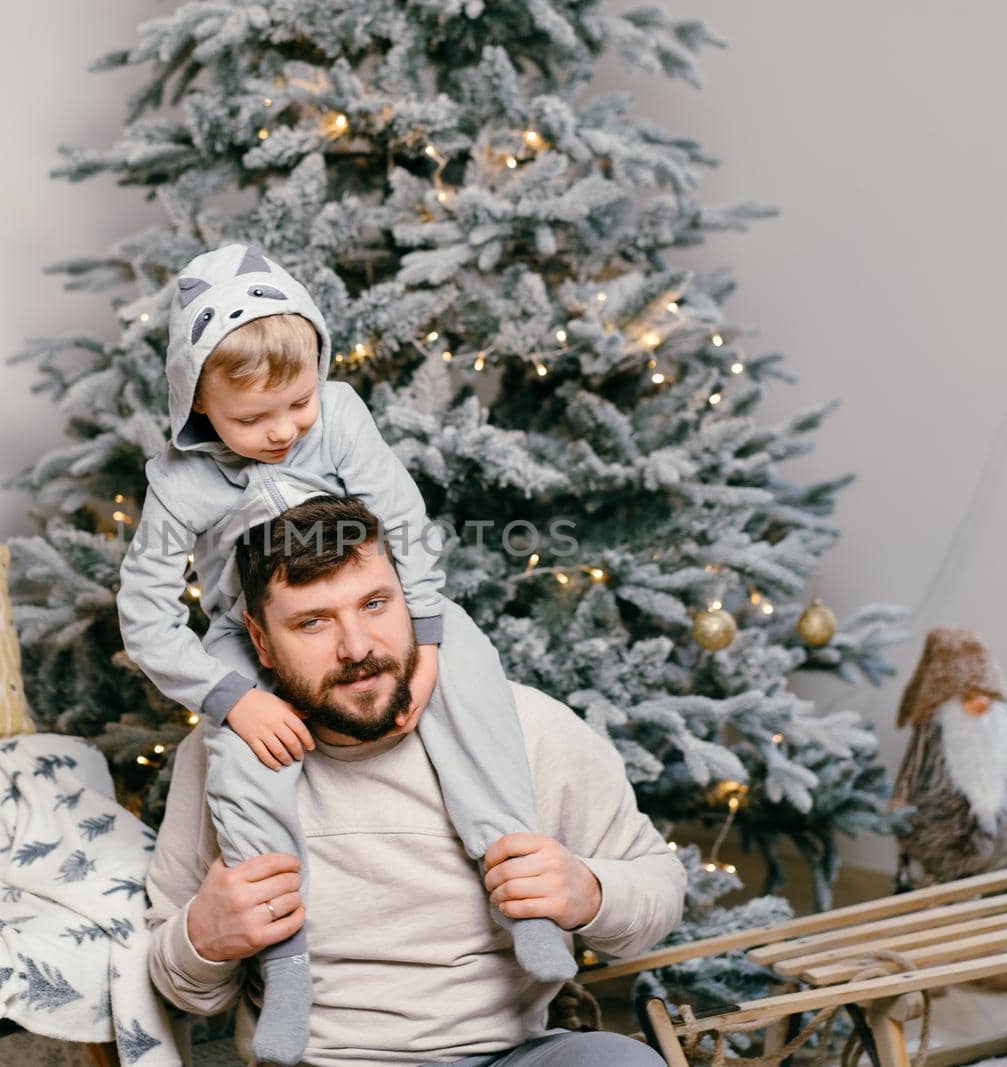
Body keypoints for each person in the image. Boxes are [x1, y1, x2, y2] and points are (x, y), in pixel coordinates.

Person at [118, 243, 575, 1063]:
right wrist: (231, 695)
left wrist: (427, 634)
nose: (283, 432)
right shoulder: (178, 484)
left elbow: (401, 519)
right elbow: (146, 616)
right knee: (243, 760)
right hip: (255, 639)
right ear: (197, 407)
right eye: (251, 420)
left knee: (470, 671)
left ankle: (520, 891)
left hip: (381, 596)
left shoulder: (337, 414)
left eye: (293, 405)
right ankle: (287, 963)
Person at [143, 495, 685, 1066]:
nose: (357, 648)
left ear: (413, 603)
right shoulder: (224, 759)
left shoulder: (526, 728)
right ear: (261, 642)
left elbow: (660, 887)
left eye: (375, 604)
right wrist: (203, 939)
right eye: (313, 622)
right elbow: (180, 988)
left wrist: (589, 893)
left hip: (510, 1057)